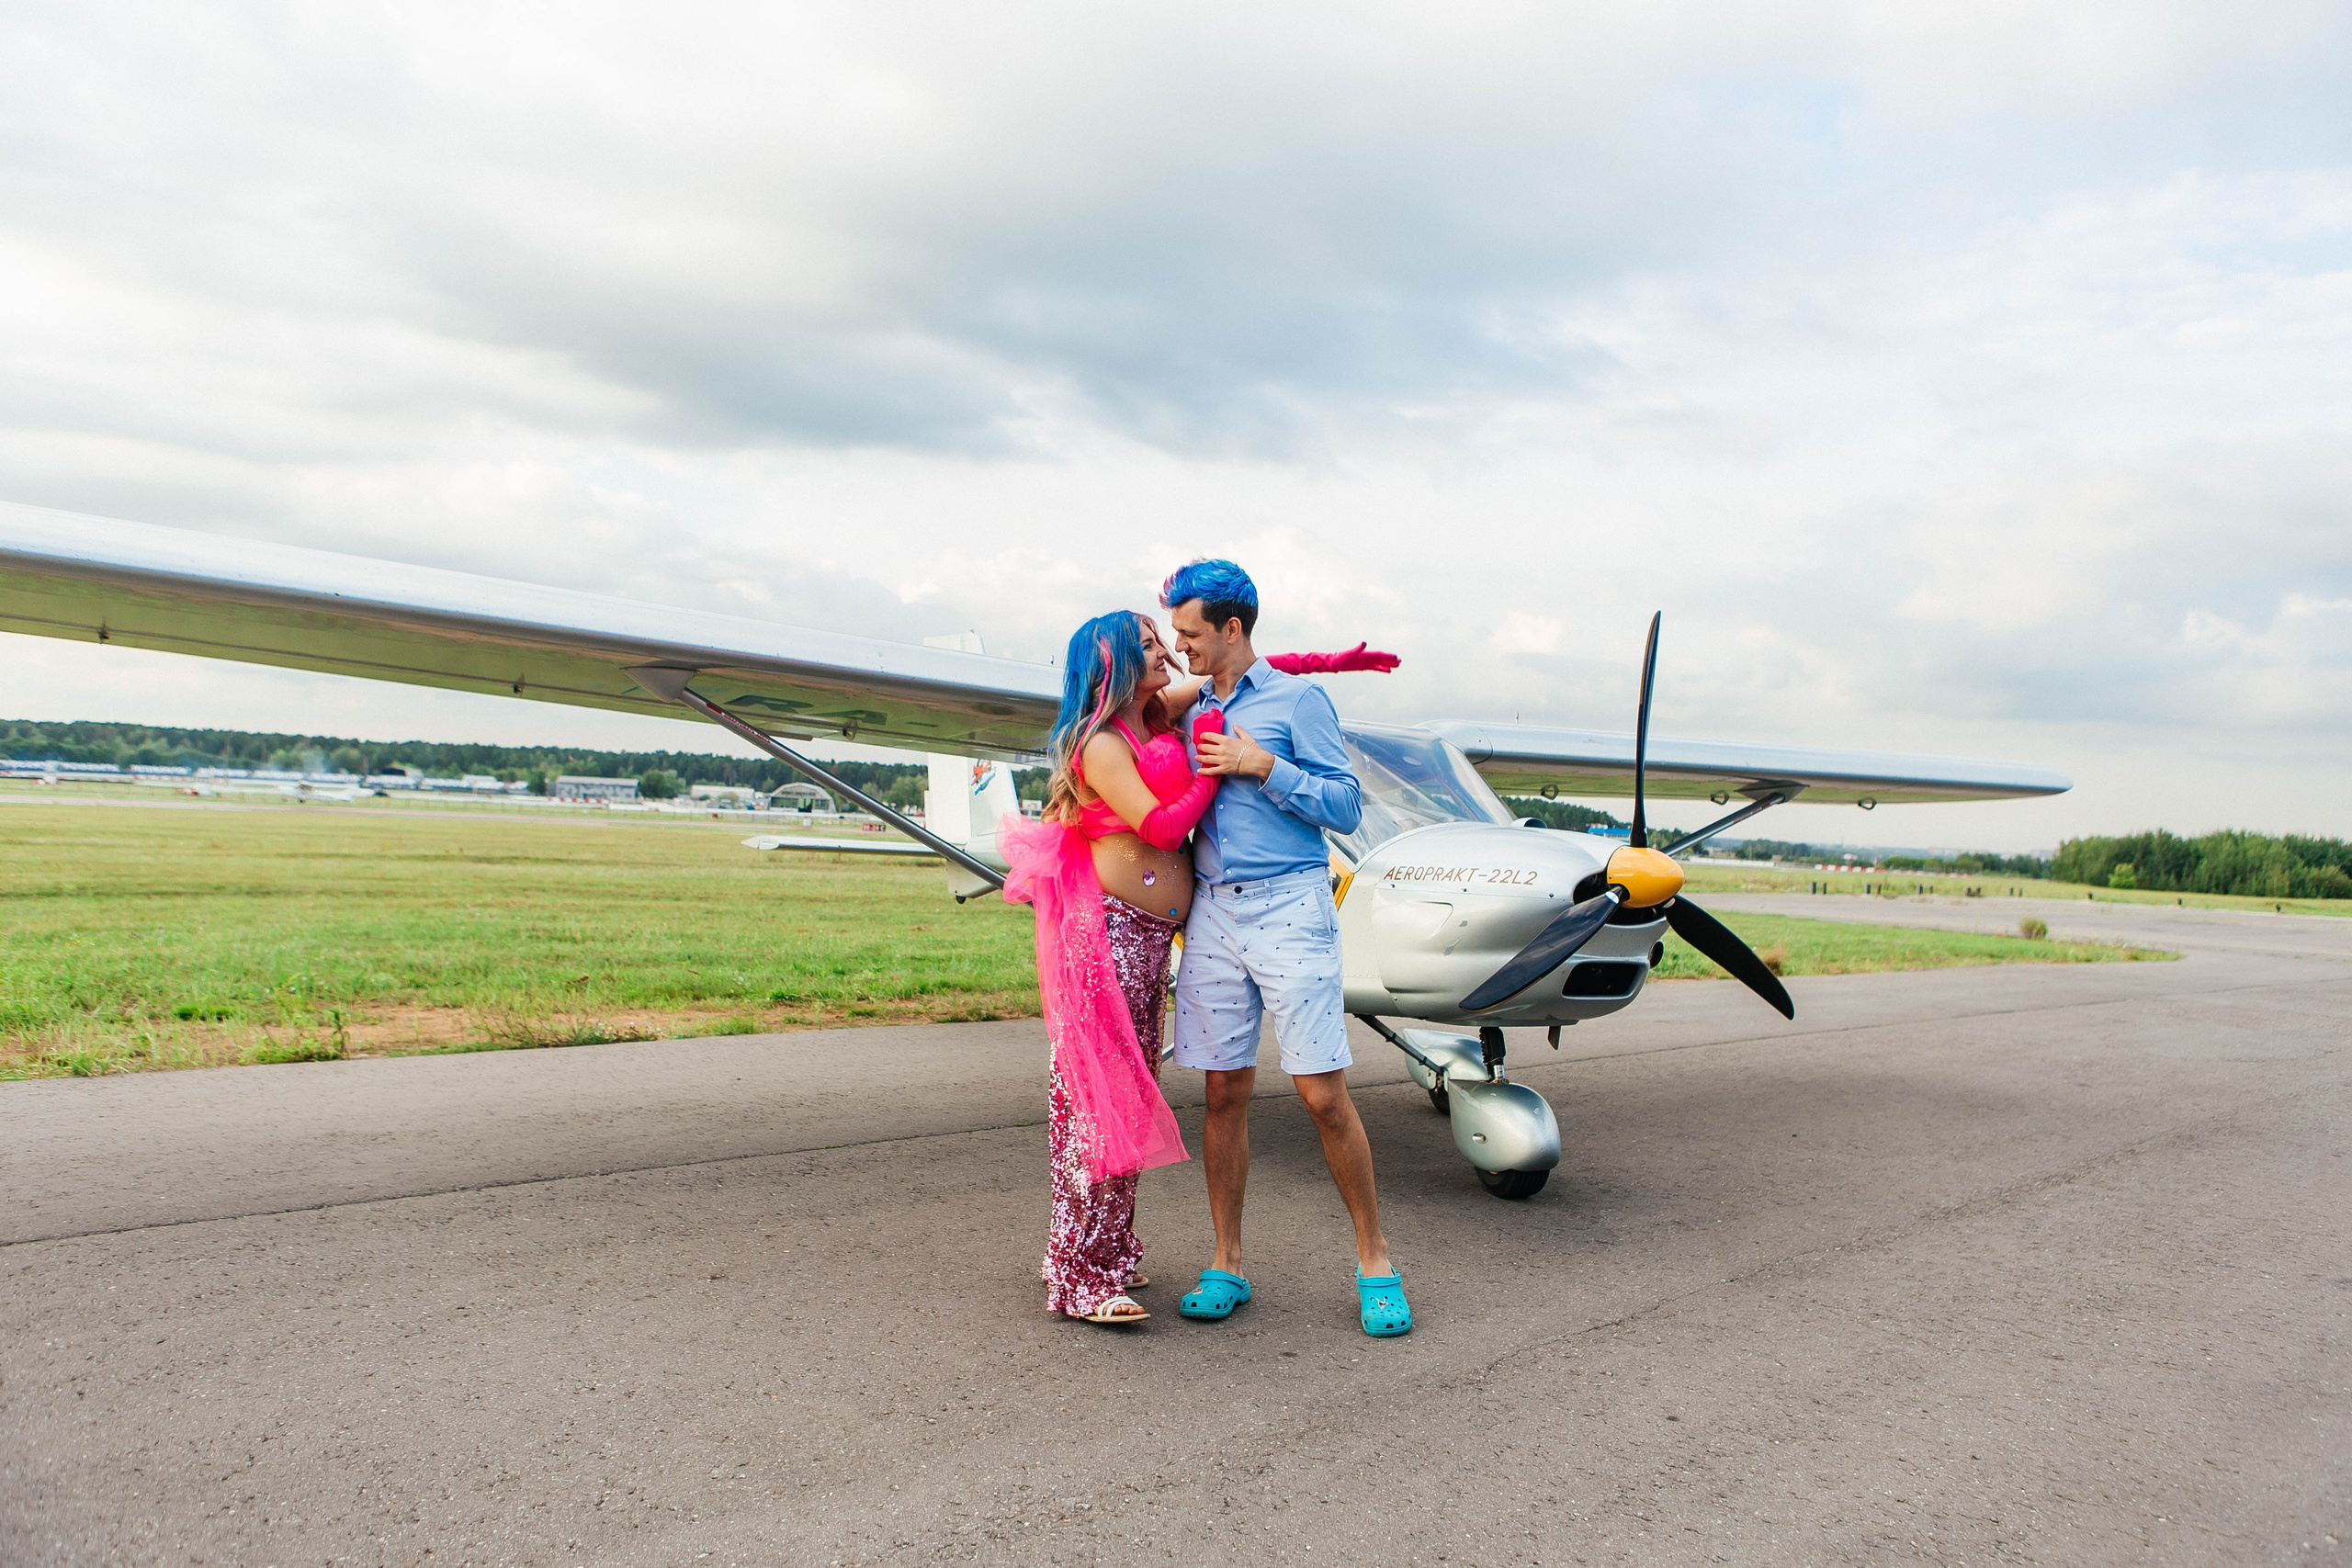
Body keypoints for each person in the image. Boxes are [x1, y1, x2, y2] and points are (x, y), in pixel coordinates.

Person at [1000, 610, 1398, 1328]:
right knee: (1099, 1099)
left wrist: (1334, 661)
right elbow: (1158, 827)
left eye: (1172, 637)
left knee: (1131, 1089)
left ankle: (1106, 1250)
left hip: (1158, 936)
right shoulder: (1100, 743)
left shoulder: (1164, 708)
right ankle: (1081, 1273)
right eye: (1152, 644)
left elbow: (1241, 668)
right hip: (1112, 935)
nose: (1170, 651)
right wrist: (1225, 772)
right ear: (1118, 664)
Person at [1159, 558, 1413, 1338]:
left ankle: (1376, 1260)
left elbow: (1344, 804)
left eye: (1191, 632)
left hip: (1291, 907)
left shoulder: (1298, 701)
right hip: (1213, 915)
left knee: (1320, 1094)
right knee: (1223, 1092)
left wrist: (1263, 766)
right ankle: (1227, 1260)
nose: (1181, 646)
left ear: (1233, 628)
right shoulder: (1191, 701)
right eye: (1173, 632)